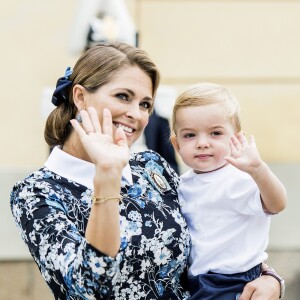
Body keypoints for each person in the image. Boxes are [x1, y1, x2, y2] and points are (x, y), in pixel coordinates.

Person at [10, 43, 283, 300]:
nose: (136, 114)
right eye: (123, 96)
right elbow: (89, 287)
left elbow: (213, 229)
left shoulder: (152, 167)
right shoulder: (37, 193)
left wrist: (268, 277)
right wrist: (107, 175)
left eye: (144, 104)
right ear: (80, 96)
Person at [170, 82, 287, 299]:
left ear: (235, 139)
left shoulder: (238, 178)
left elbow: (277, 203)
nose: (202, 143)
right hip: (195, 281)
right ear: (176, 144)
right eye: (189, 135)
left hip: (235, 280)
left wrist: (259, 170)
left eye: (215, 133)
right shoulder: (180, 184)